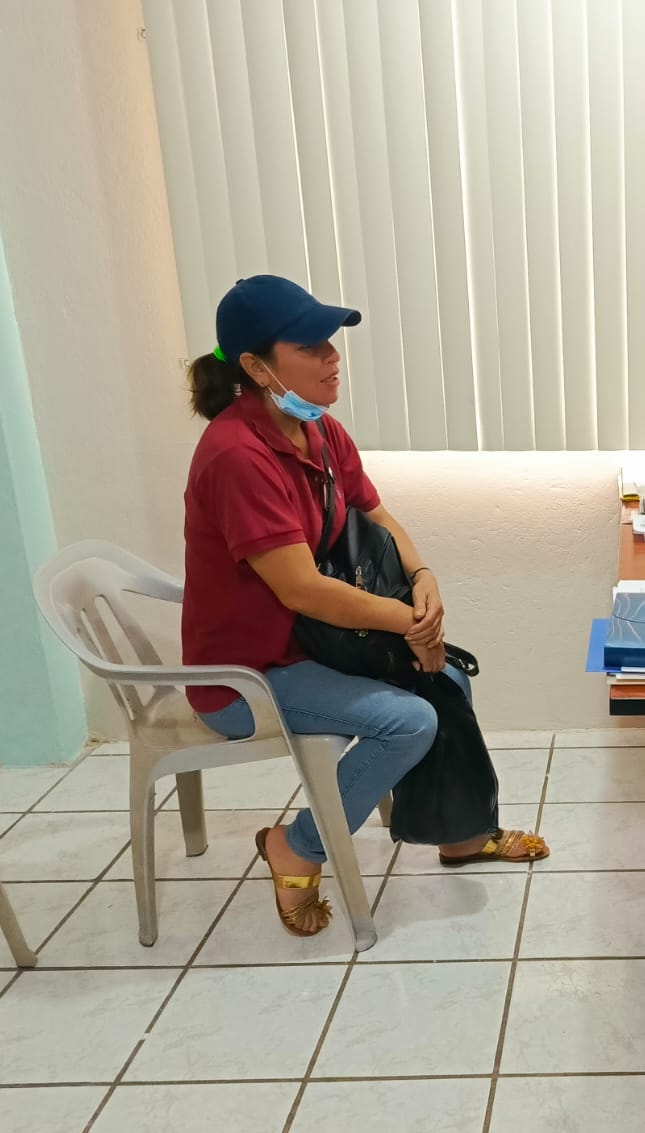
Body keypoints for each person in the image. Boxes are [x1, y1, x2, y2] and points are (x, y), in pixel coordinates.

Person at [182, 274, 548, 937]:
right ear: (256, 367)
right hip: (247, 676)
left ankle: (462, 834)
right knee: (408, 721)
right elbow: (301, 588)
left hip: (314, 643)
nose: (332, 357)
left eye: (331, 342)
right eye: (311, 346)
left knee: (448, 680)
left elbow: (377, 517)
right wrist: (413, 627)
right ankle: (295, 846)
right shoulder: (236, 456)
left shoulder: (317, 430)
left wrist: (423, 576)